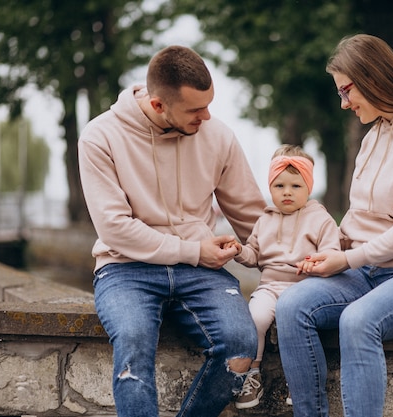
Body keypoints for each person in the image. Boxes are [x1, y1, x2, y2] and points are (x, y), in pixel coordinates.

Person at [275, 33, 393, 417]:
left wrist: (348, 261)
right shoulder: (374, 134)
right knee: (291, 306)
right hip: (367, 269)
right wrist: (332, 247)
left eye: (347, 91)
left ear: (374, 78)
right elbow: (359, 217)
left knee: (358, 320)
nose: (344, 103)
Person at [78, 45, 267, 417]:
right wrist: (193, 250)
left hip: (199, 271)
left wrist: (292, 262)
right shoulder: (99, 137)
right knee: (133, 342)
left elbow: (252, 217)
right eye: (196, 110)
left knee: (241, 344)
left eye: (209, 104)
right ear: (159, 105)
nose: (207, 116)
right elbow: (115, 229)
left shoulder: (218, 135)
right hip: (125, 267)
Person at [224, 144, 342, 409]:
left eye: (296, 186)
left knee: (298, 326)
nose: (287, 192)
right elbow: (254, 255)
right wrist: (238, 250)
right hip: (270, 286)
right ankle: (251, 374)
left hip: (305, 287)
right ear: (270, 187)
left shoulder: (321, 220)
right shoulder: (264, 220)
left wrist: (315, 265)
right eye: (279, 186)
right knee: (255, 318)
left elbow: (331, 254)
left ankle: (299, 377)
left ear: (308, 187)